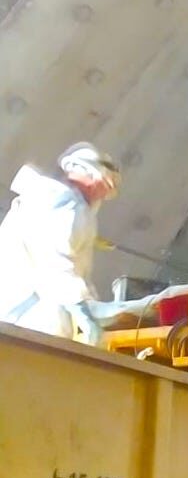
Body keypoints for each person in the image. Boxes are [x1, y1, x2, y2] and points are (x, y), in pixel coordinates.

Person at [0, 142, 120, 343]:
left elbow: (74, 272)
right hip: (29, 322)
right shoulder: (64, 203)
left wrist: (90, 304)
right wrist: (83, 310)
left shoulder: (49, 200)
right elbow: (55, 264)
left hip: (18, 320)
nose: (102, 194)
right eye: (104, 186)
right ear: (88, 174)